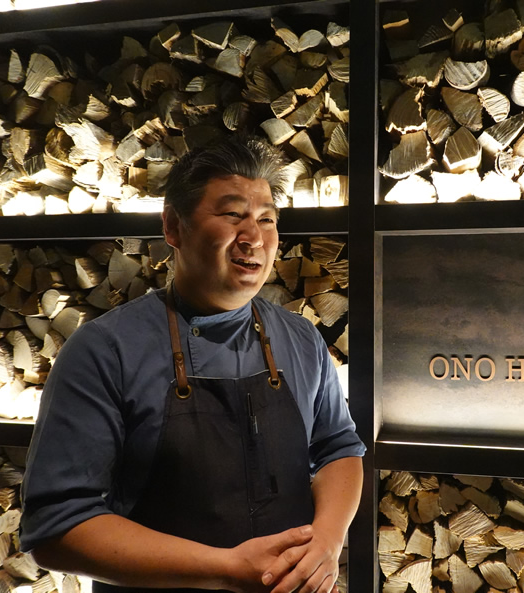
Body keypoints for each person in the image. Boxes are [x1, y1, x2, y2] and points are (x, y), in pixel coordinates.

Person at [20, 135, 365, 593]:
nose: (253, 237)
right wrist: (225, 568)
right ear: (173, 227)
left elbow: (339, 448)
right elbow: (56, 526)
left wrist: (327, 539)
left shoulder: (300, 338)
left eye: (266, 219)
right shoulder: (104, 351)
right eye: (232, 215)